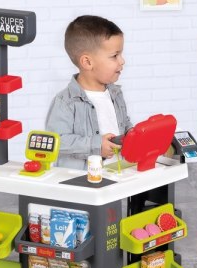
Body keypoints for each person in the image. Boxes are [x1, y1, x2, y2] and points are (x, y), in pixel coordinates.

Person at [46, 15, 133, 169]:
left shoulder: (116, 93)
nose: (122, 61)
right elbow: (57, 142)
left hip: (117, 173)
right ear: (87, 62)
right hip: (83, 178)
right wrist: (96, 145)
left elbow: (124, 123)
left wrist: (132, 133)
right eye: (115, 56)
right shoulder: (65, 102)